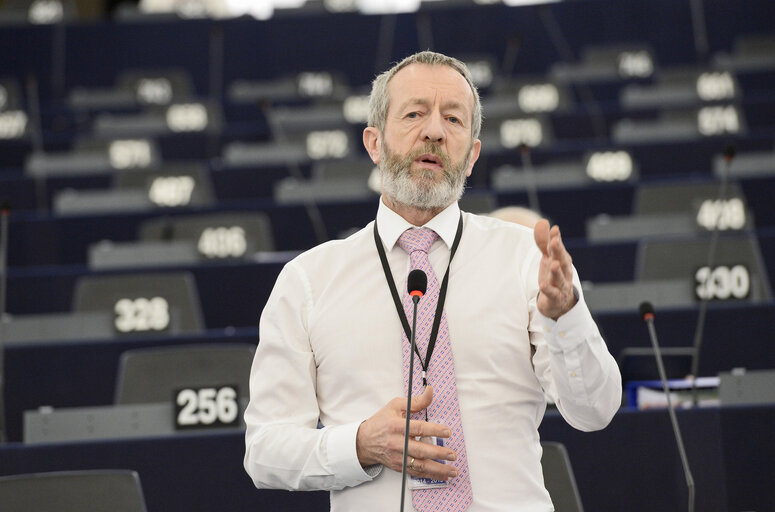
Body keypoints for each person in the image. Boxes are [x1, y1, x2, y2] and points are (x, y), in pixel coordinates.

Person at [244, 51, 621, 512]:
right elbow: (264, 451)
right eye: (415, 113)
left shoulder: (526, 258)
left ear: (472, 155)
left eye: (453, 119)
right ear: (374, 142)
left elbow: (594, 411)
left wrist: (566, 316)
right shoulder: (307, 281)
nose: (435, 131)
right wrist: (359, 445)